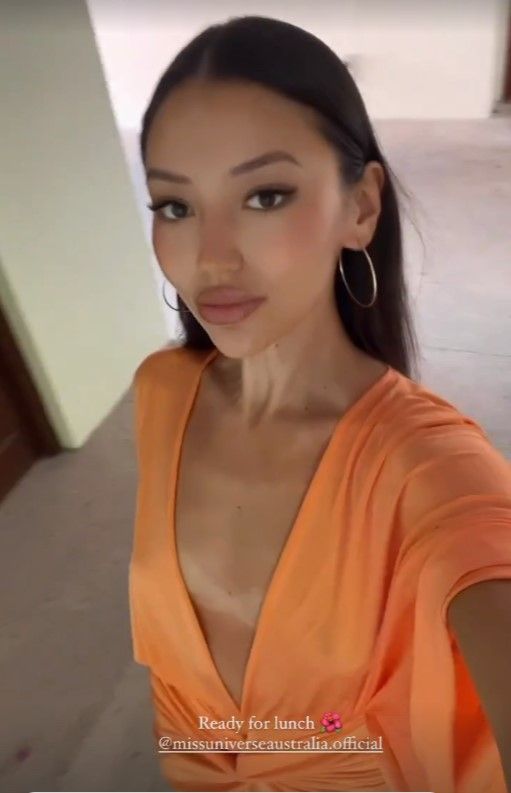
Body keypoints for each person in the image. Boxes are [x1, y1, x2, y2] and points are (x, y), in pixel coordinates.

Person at [128, 15, 511, 793]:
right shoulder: (162, 392)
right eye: (175, 206)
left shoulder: (433, 474)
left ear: (360, 207)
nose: (211, 257)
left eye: (265, 195)